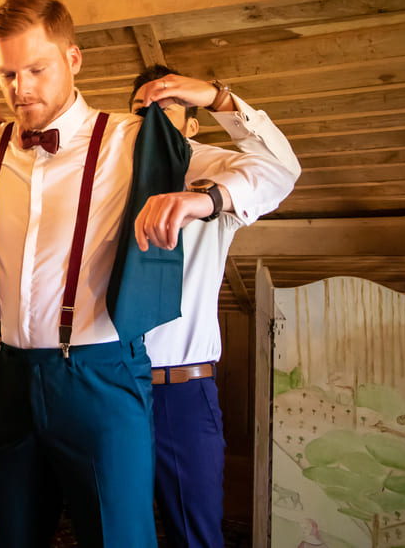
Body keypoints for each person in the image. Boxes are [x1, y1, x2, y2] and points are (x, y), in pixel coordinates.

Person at [0, 0, 286, 546]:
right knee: (8, 534)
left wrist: (209, 180)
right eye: (7, 74)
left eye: (36, 69)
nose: (20, 88)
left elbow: (276, 172)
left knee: (118, 537)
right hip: (7, 375)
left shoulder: (132, 139)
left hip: (100, 377)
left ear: (73, 58)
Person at [131, 65, 300, 548]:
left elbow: (283, 171)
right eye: (142, 111)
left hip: (182, 391)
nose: (152, 119)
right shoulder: (109, 174)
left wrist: (216, 97)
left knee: (197, 535)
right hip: (112, 384)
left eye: (166, 109)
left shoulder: (217, 170)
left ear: (191, 123)